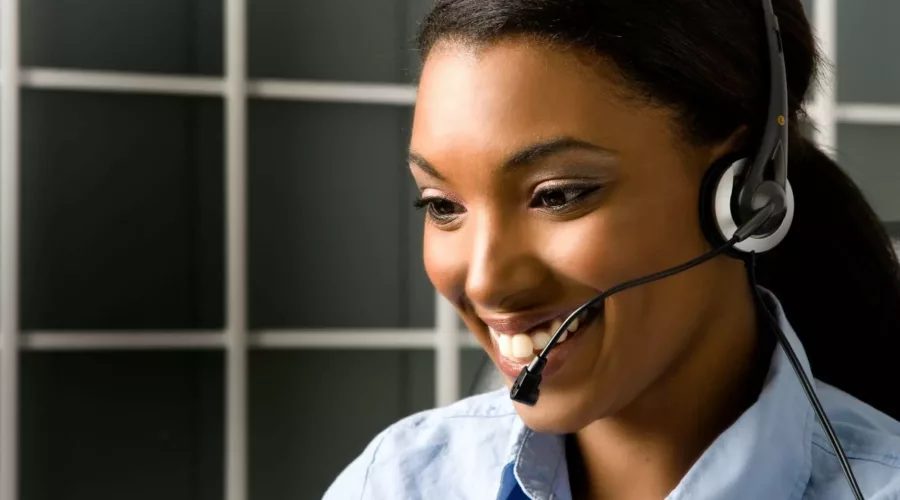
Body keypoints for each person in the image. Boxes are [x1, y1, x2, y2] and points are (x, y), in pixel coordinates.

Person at [324, 0, 900, 498]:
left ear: (746, 196)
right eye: (442, 205)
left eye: (558, 195)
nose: (484, 282)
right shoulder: (398, 483)